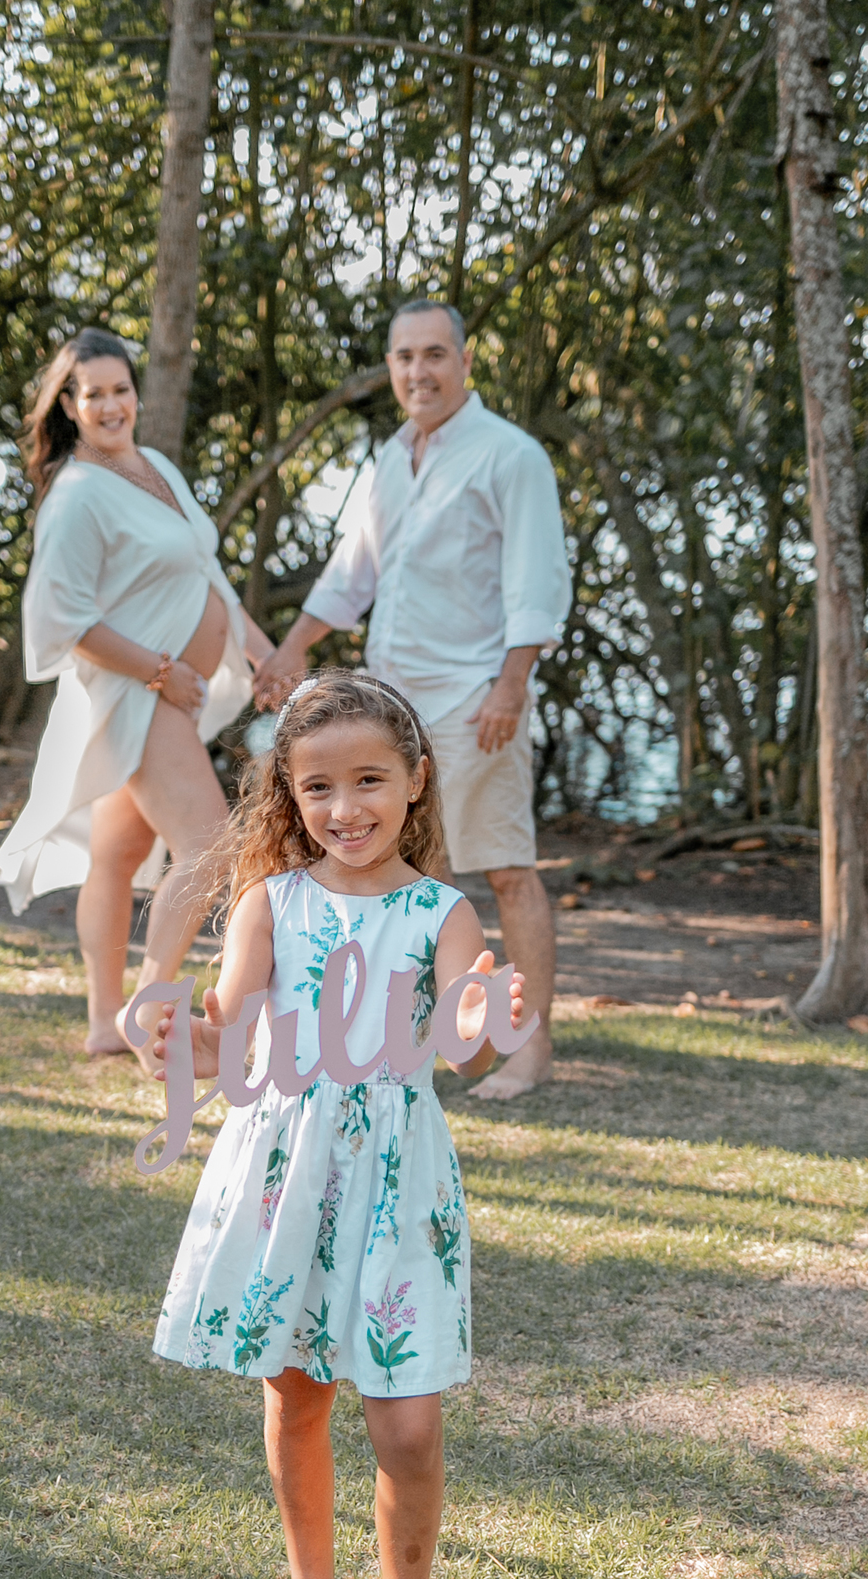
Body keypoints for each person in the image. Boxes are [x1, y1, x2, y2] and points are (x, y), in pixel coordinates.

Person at [146, 670, 526, 1579]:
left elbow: (461, 1049)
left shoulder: (441, 912)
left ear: (416, 780)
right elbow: (230, 1035)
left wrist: (488, 1013)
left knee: (404, 1425)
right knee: (296, 1391)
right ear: (289, 795)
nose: (345, 808)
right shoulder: (271, 901)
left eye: (369, 780)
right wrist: (181, 1039)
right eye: (318, 787)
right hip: (288, 1176)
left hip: (397, 1181)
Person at [253, 299, 571, 1096]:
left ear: (465, 362)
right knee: (407, 868)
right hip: (390, 706)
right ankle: (401, 1036)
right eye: (403, 358)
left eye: (434, 355)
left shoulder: (511, 455)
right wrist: (293, 650)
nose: (418, 372)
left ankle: (528, 1048)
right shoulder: (394, 457)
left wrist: (510, 684)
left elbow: (536, 581)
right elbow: (353, 573)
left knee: (504, 866)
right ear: (390, 369)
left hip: (475, 696)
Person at [0, 327, 274, 1060]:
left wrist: (260, 650)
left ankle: (101, 1021)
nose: (112, 405)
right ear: (70, 404)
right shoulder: (76, 496)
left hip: (170, 694)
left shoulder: (152, 466)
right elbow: (62, 621)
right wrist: (159, 670)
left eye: (122, 390)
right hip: (135, 695)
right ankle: (148, 1012)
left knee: (117, 856)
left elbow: (205, 573)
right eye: (95, 395)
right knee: (210, 846)